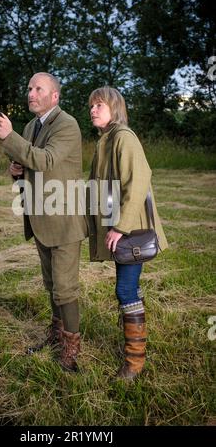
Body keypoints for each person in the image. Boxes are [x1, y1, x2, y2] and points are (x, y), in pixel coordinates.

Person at [0, 72, 87, 372]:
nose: (30, 93)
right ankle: (57, 334)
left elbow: (45, 161)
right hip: (40, 218)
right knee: (51, 284)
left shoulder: (67, 125)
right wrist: (15, 170)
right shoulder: (32, 126)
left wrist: (8, 137)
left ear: (54, 96)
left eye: (38, 89)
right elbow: (31, 164)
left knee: (65, 288)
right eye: (29, 87)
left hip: (64, 220)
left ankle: (71, 351)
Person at [87, 86, 168, 380]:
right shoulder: (105, 141)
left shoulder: (123, 137)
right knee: (129, 288)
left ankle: (134, 363)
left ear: (115, 109)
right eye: (91, 106)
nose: (92, 110)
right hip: (123, 229)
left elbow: (138, 183)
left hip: (131, 231)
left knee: (124, 290)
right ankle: (137, 347)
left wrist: (120, 227)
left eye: (99, 105)